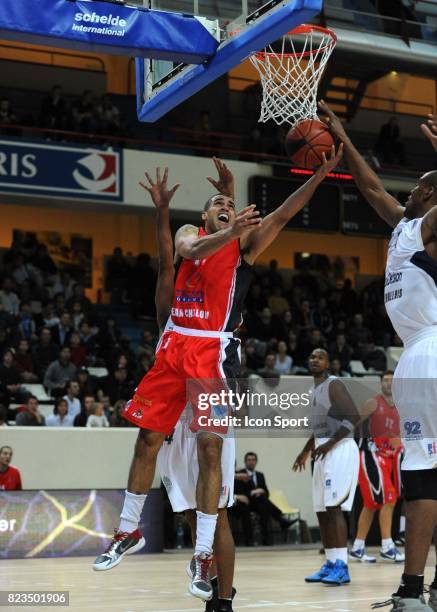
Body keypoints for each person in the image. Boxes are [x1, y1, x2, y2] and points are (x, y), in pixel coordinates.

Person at [94, 146, 343, 602]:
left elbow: (286, 213)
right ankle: (128, 530)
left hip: (211, 357)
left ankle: (205, 558)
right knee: (146, 440)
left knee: (212, 456)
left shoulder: (243, 247)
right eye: (218, 205)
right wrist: (176, 214)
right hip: (174, 353)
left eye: (230, 205)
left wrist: (321, 173)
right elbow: (180, 250)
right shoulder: (193, 235)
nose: (225, 208)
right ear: (205, 216)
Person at [95, 158, 238, 612]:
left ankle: (220, 592)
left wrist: (227, 197)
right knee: (185, 498)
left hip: (210, 393)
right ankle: (153, 541)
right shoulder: (170, 312)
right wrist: (161, 212)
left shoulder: (220, 308)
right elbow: (165, 258)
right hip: (172, 417)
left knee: (219, 506)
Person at [321, 99, 437, 610]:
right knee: (430, 472)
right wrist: (341, 137)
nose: (407, 191)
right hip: (420, 349)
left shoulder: (429, 226)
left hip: (430, 349)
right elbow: (369, 187)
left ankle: (411, 589)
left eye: (417, 186)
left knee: (422, 476)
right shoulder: (402, 227)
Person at [293, 349, 360, 586]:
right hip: (322, 451)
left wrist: (330, 443)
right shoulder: (314, 390)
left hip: (339, 450)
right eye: (311, 357)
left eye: (320, 357)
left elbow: (353, 416)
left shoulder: (334, 385)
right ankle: (330, 562)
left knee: (334, 508)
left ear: (328, 363)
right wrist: (305, 450)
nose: (314, 360)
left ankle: (342, 566)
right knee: (321, 510)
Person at [350, 371, 404, 563]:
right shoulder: (373, 403)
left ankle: (357, 546)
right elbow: (354, 425)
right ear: (380, 384)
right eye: (385, 380)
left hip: (388, 457)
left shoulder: (399, 406)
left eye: (391, 380)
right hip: (370, 455)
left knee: (372, 504)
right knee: (389, 498)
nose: (388, 383)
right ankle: (387, 545)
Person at [236, 452, 293, 545]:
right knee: (261, 503)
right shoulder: (240, 474)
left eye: (253, 460)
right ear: (245, 462)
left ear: (256, 462)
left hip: (259, 503)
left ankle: (266, 539)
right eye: (249, 460)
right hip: (246, 503)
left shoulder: (260, 475)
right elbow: (239, 492)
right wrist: (253, 492)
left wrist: (261, 492)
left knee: (263, 504)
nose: (251, 462)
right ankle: (281, 520)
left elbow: (266, 492)